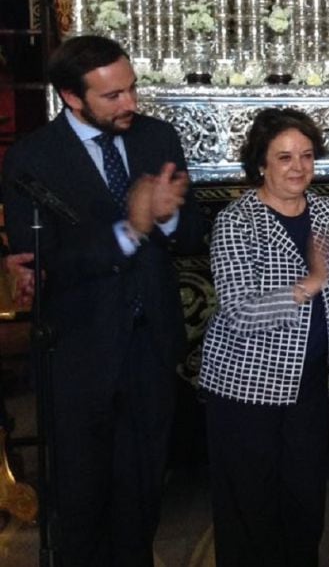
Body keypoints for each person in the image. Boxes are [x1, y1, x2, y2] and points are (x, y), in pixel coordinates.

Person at [1, 34, 202, 566]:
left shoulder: (158, 138)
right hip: (77, 352)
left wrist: (169, 215)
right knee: (82, 499)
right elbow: (39, 259)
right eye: (112, 96)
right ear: (71, 97)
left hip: (150, 346)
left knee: (142, 495)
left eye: (131, 89)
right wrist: (129, 231)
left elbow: (192, 228)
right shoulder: (33, 158)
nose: (130, 104)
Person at [199, 108, 329, 566]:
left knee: (304, 505)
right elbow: (239, 312)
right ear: (261, 164)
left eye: (307, 156)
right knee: (251, 513)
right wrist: (312, 282)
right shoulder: (238, 221)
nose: (298, 168)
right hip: (245, 389)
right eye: (284, 158)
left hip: (311, 384)